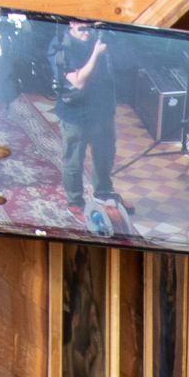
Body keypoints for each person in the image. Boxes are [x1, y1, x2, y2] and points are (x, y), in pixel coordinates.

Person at [52, 18, 122, 234]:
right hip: (75, 113)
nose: (87, 33)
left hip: (101, 110)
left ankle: (102, 192)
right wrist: (96, 54)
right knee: (74, 160)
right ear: (71, 24)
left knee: (105, 155)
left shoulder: (99, 37)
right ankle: (75, 203)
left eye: (90, 27)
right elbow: (79, 81)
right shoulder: (60, 46)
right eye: (82, 28)